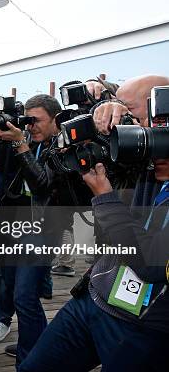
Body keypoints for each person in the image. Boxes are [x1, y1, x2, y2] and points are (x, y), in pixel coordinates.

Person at [20, 75, 169, 372]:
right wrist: (105, 110)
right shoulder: (145, 163)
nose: (130, 134)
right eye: (127, 122)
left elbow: (150, 264)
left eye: (137, 121)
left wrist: (104, 195)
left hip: (145, 327)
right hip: (95, 298)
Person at [0, 94, 93, 364]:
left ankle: (29, 359)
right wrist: (6, 140)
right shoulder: (32, 141)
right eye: (28, 121)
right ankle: (34, 341)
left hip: (45, 228)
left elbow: (41, 185)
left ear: (56, 119)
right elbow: (4, 172)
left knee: (25, 296)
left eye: (37, 121)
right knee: (15, 288)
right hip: (19, 223)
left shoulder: (63, 147)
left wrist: (20, 145)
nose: (31, 126)